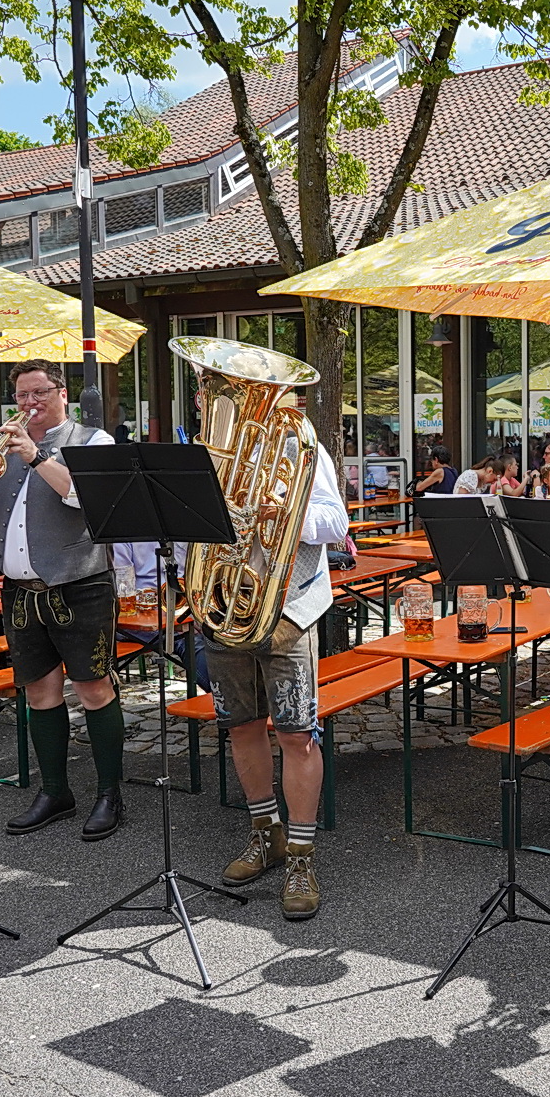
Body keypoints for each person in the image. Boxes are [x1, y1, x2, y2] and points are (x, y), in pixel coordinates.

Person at [187, 388, 349, 920]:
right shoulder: (204, 451)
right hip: (223, 601)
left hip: (288, 606)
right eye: (207, 392)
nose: (211, 402)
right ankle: (266, 833)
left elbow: (335, 525)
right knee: (241, 726)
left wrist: (285, 514)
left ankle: (301, 854)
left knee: (297, 734)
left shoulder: (300, 450)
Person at [0, 360, 128, 840]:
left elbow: (84, 498)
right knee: (38, 692)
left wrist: (32, 456)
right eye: (22, 397)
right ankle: (55, 791)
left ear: (62, 393)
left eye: (38, 394)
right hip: (19, 590)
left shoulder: (93, 441)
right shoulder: (5, 447)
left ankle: (109, 793)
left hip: (81, 583)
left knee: (93, 688)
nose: (29, 404)